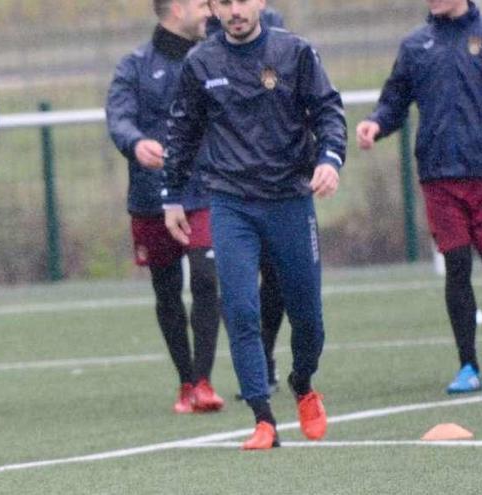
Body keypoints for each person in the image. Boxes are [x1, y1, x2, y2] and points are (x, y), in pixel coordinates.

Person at [163, 0, 346, 449]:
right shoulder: (200, 62)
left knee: (309, 319)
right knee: (241, 309)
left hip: (289, 201)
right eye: (224, 3)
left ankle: (303, 383)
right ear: (212, 8)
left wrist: (329, 159)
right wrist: (172, 197)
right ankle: (263, 419)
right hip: (231, 204)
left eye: (242, 0)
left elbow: (328, 111)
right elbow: (182, 132)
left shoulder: (295, 53)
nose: (235, 10)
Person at [357, 0, 482, 394]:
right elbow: (395, 100)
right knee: (457, 267)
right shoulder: (416, 45)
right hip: (439, 176)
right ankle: (468, 365)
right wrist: (375, 124)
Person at [106, 0, 224, 415]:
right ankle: (186, 380)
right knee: (167, 291)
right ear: (175, 9)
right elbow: (118, 118)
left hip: (205, 190)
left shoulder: (216, 56)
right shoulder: (135, 66)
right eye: (200, 3)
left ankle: (206, 381)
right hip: (151, 196)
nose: (209, 10)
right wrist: (136, 142)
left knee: (208, 279)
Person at [210, 4, 290, 400]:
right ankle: (254, 373)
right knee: (236, 286)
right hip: (225, 188)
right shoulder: (202, 46)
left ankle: (267, 356)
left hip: (275, 185)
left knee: (276, 279)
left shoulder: (274, 31)